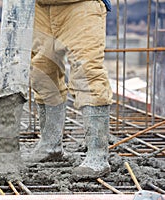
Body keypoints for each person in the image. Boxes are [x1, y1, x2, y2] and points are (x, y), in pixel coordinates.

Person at [29, 0, 113, 180]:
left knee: (88, 73)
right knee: (42, 74)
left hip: (80, 4)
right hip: (39, 7)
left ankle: (97, 155)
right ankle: (50, 145)